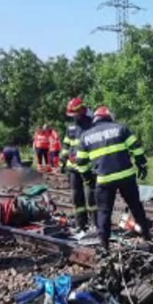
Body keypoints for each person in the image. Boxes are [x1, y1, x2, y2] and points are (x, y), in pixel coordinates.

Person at [76, 106, 153, 250]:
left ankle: (104, 244)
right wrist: (141, 165)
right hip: (126, 176)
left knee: (104, 211)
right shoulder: (121, 128)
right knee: (136, 206)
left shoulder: (86, 136)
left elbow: (80, 162)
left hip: (104, 180)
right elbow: (136, 147)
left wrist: (88, 179)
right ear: (109, 117)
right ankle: (146, 235)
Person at [60, 97, 97, 235]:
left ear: (81, 110)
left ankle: (95, 225)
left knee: (91, 198)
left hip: (88, 167)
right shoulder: (71, 126)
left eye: (74, 113)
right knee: (77, 198)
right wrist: (62, 159)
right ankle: (81, 225)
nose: (73, 117)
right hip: (73, 168)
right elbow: (66, 144)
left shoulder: (91, 125)